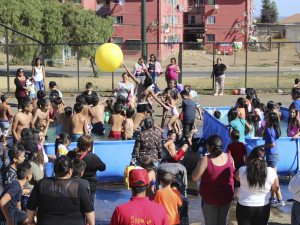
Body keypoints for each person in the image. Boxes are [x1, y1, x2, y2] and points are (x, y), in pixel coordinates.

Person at [27, 156, 95, 225]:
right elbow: (89, 210)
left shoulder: (41, 184)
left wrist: (31, 222)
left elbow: (30, 206)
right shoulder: (78, 186)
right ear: (70, 170)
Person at [192, 134, 235, 225]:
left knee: (210, 223)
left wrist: (199, 163)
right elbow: (232, 172)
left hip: (210, 198)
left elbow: (195, 177)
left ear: (209, 147)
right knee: (222, 222)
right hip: (226, 197)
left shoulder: (206, 159)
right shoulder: (229, 157)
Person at [234, 147, 279, 225]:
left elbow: (236, 178)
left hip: (244, 205)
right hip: (263, 206)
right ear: (263, 157)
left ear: (250, 157)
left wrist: (247, 163)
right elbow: (275, 188)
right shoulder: (271, 172)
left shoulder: (243, 170)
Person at [67, 136, 106, 206]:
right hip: (89, 186)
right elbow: (103, 168)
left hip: (72, 185)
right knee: (89, 207)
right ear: (89, 147)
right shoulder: (93, 158)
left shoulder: (70, 154)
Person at [259, 111, 285, 207]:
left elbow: (272, 144)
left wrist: (262, 146)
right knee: (274, 176)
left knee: (274, 178)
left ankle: (280, 199)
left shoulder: (270, 131)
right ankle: (273, 198)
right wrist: (264, 130)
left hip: (272, 155)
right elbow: (263, 138)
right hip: (274, 154)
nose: (265, 119)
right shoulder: (271, 129)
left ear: (271, 120)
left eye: (267, 118)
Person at [227, 130, 247, 197]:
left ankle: (234, 195)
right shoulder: (242, 145)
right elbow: (245, 155)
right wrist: (246, 164)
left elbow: (229, 156)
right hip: (241, 164)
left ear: (231, 137)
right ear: (239, 137)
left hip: (234, 165)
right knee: (240, 180)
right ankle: (239, 195)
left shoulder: (230, 146)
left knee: (233, 180)